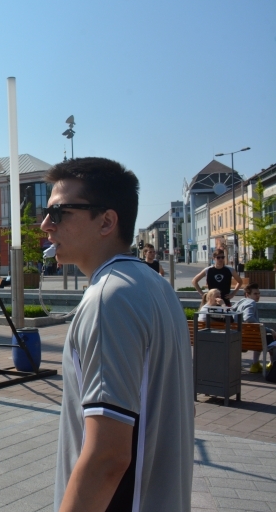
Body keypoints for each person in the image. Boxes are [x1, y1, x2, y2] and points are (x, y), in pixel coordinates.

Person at [43, 158, 193, 511]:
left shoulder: (109, 299)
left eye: (59, 212)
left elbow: (107, 456)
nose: (45, 225)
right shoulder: (155, 285)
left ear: (107, 221)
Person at [232, 283, 274, 374]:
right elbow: (248, 317)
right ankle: (272, 364)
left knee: (259, 336)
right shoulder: (251, 302)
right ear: (248, 294)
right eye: (255, 294)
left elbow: (231, 313)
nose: (258, 296)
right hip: (251, 338)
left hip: (240, 337)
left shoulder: (240, 302)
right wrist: (267, 329)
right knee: (272, 337)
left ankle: (255, 365)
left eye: (259, 293)